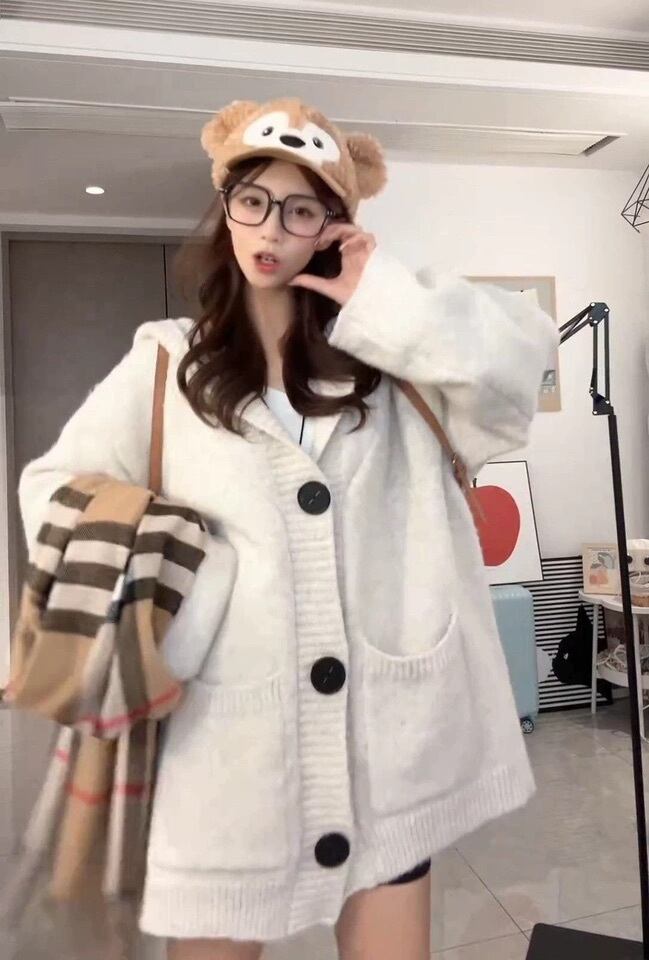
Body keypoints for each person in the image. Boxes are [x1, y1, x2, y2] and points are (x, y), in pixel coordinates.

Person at [17, 97, 560, 960]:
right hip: (227, 761)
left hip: (388, 757)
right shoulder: (166, 364)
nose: (270, 227)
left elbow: (518, 366)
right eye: (253, 200)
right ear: (226, 207)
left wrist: (383, 295)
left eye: (302, 208)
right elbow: (50, 491)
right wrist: (197, 588)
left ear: (334, 228)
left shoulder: (395, 372)